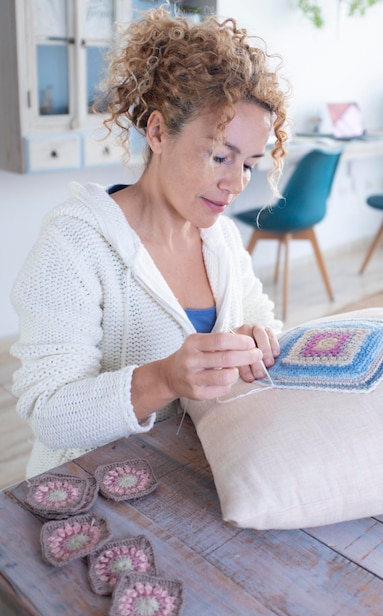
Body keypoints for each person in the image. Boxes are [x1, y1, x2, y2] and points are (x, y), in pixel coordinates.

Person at [10, 7, 289, 478]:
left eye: (248, 164)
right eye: (220, 155)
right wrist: (162, 379)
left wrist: (258, 341)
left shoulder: (218, 234)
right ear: (158, 132)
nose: (236, 183)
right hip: (92, 488)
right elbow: (47, 409)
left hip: (196, 475)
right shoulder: (75, 243)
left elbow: (262, 319)